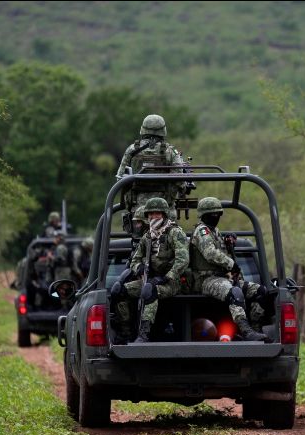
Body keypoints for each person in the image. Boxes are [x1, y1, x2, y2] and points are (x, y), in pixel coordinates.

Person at [189, 197, 268, 342]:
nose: (215, 217)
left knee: (260, 291)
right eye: (212, 214)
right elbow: (210, 253)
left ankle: (256, 329)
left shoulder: (215, 232)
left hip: (222, 278)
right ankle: (246, 331)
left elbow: (221, 252)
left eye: (218, 214)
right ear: (203, 215)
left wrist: (228, 242)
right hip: (206, 280)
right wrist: (231, 264)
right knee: (235, 292)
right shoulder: (202, 231)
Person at [110, 197, 189, 343]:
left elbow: (183, 260)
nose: (153, 217)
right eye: (150, 214)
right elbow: (135, 260)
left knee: (149, 290)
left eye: (157, 213)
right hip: (150, 279)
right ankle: (126, 332)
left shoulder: (174, 233)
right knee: (119, 291)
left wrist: (166, 277)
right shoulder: (148, 236)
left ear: (164, 214)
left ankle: (144, 335)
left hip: (172, 282)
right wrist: (139, 268)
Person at [115, 114, 189, 218]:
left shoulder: (132, 150)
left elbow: (120, 178)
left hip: (136, 212)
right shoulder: (170, 152)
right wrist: (184, 188)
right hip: (164, 212)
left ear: (143, 129)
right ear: (163, 131)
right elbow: (179, 181)